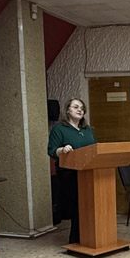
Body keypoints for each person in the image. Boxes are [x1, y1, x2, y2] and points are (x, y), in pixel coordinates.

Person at [48, 98, 97, 245]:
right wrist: (62, 150)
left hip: (88, 171)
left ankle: (91, 238)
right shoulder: (59, 129)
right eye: (76, 107)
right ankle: (75, 240)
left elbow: (95, 148)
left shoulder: (87, 129)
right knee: (77, 206)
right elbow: (52, 150)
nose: (80, 110)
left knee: (89, 204)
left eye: (82, 108)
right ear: (68, 110)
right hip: (69, 173)